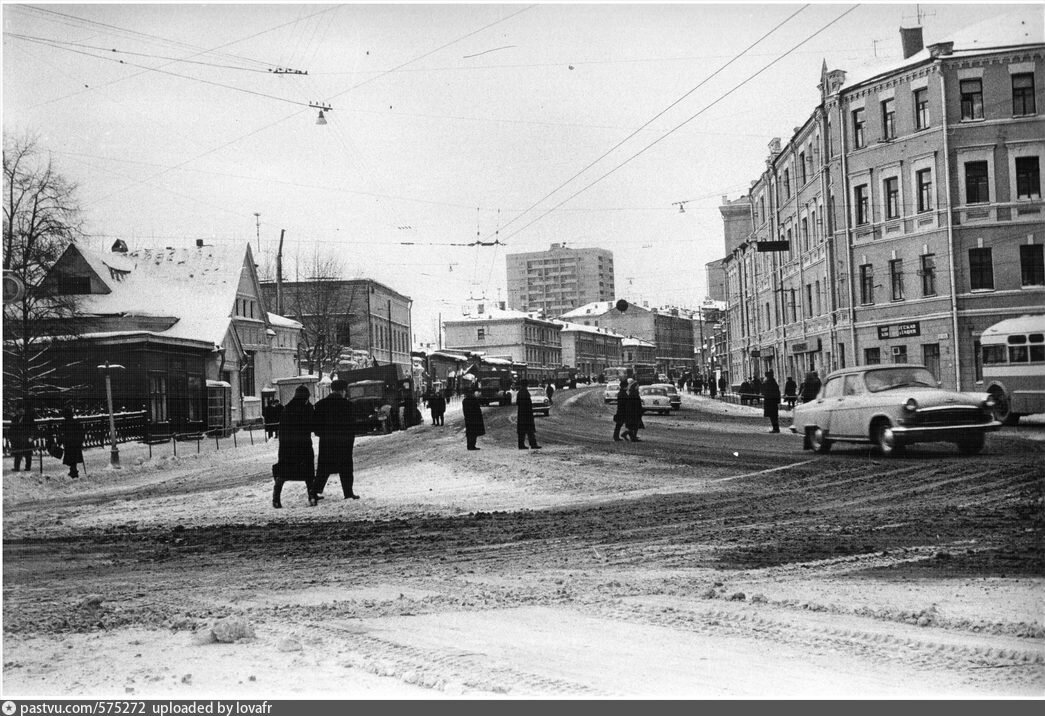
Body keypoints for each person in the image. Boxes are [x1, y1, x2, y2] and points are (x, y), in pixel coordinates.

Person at [313, 379, 360, 500]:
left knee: (323, 468)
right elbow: (352, 426)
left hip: (327, 442)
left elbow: (315, 427)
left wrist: (323, 435)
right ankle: (348, 493)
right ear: (343, 391)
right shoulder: (348, 405)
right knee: (346, 468)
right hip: (344, 443)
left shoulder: (320, 405)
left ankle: (315, 491)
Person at [274, 385, 318, 509]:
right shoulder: (307, 409)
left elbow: (282, 429)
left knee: (283, 473)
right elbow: (312, 426)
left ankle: (276, 498)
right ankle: (312, 497)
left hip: (287, 447)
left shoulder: (287, 409)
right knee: (308, 474)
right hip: (303, 446)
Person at [9, 400, 36, 472]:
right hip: (18, 439)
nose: (21, 411)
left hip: (27, 439)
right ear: (17, 411)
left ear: (24, 410)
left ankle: (28, 467)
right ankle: (16, 467)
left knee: (28, 454)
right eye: (19, 410)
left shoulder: (29, 418)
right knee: (18, 453)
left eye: (22, 409)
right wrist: (12, 439)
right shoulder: (15, 419)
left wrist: (31, 437)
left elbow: (33, 428)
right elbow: (11, 430)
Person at [514, 380, 542, 450]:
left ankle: (521, 445)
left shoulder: (520, 392)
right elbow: (528, 404)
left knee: (522, 431)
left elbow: (517, 403)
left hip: (521, 414)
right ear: (526, 385)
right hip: (527, 414)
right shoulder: (525, 392)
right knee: (530, 430)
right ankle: (533, 444)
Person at [59, 406, 84, 479]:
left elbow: (62, 434)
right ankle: (73, 470)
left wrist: (60, 441)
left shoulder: (65, 423)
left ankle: (73, 471)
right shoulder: (76, 422)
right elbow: (81, 433)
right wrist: (80, 441)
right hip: (76, 443)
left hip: (69, 443)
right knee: (74, 457)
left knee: (70, 458)